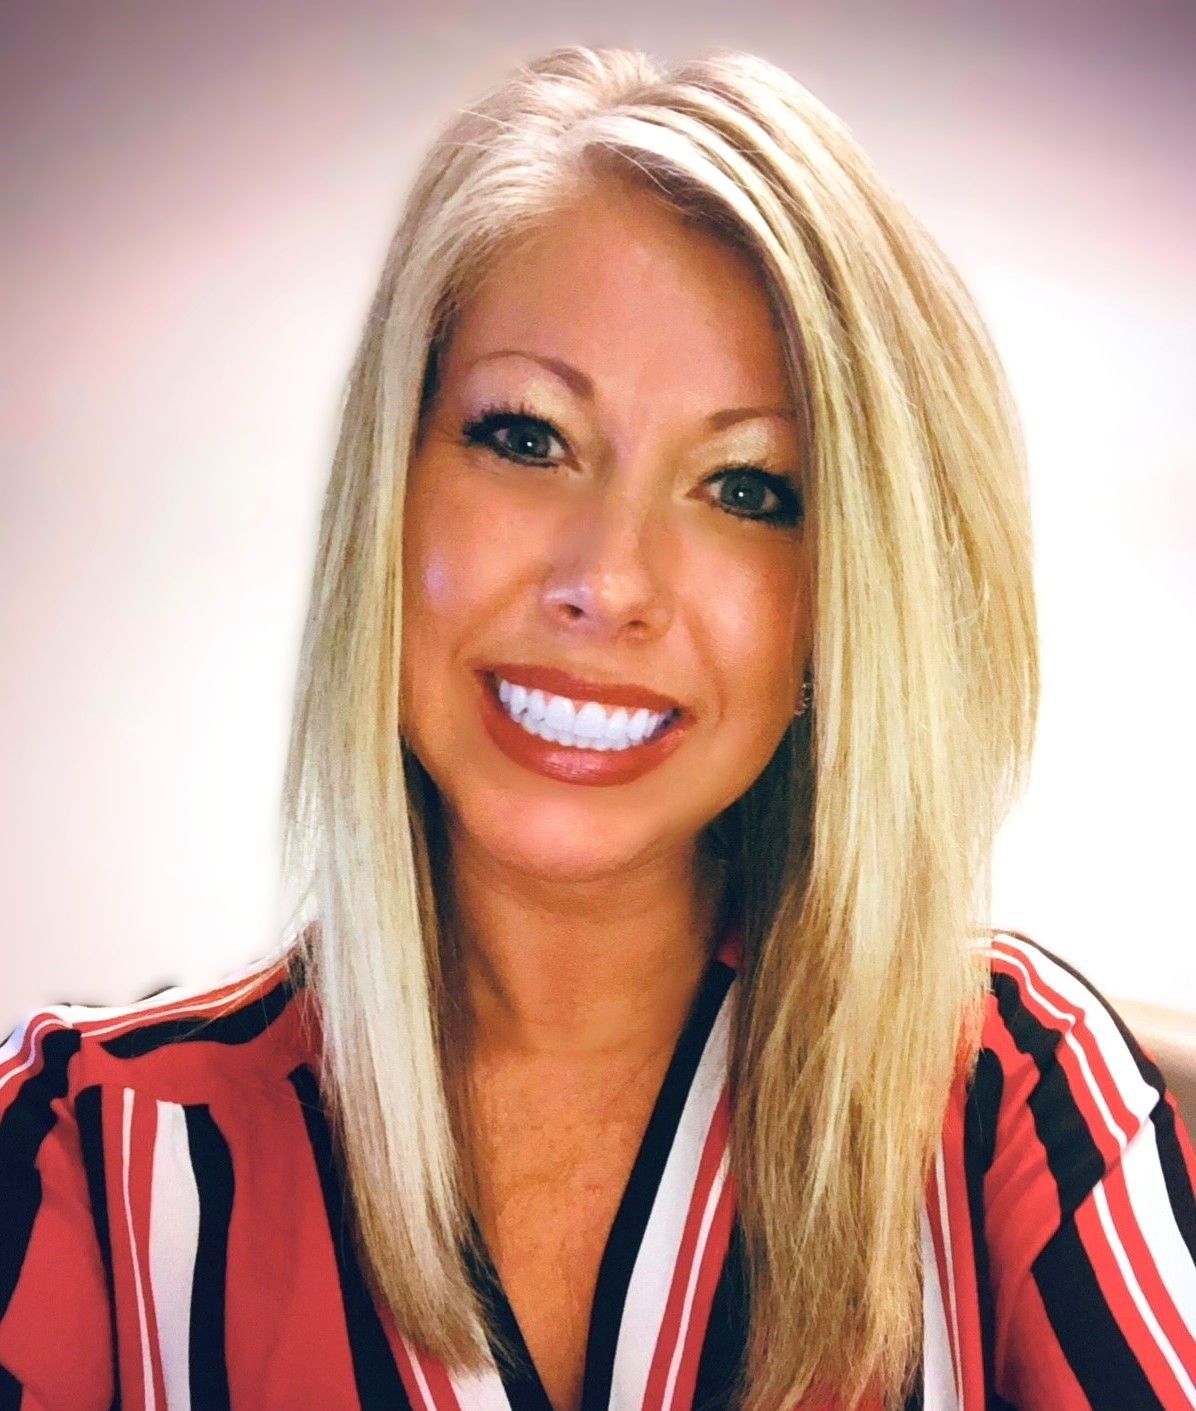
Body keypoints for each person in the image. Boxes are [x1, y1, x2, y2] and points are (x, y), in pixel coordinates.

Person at [1, 42, 1193, 1411]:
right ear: (389, 494)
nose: (605, 582)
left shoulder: (1010, 1096)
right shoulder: (80, 1150)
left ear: (848, 606)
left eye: (748, 489)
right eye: (526, 437)